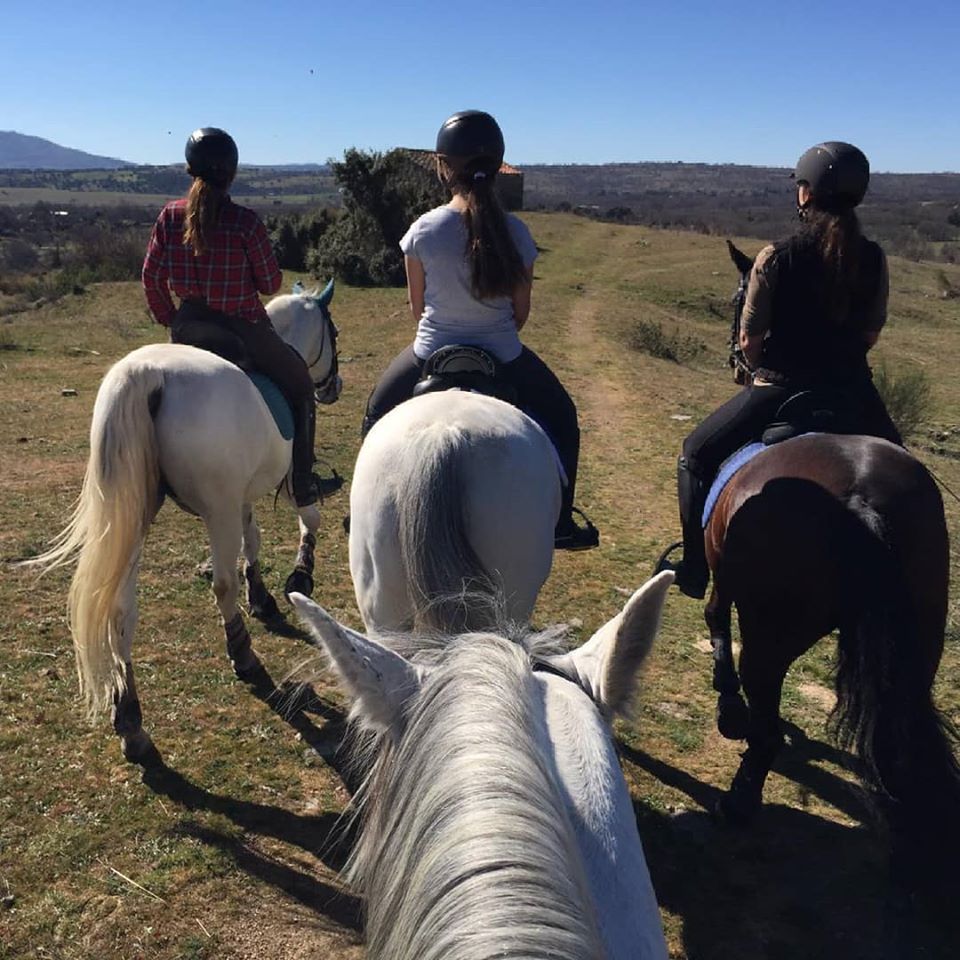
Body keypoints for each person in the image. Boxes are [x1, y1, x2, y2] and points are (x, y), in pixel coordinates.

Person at [657, 141, 902, 598]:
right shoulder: (874, 259)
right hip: (854, 393)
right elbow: (871, 335)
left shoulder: (775, 257)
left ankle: (694, 567)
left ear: (806, 193)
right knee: (903, 470)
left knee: (695, 453)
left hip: (781, 389)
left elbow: (749, 340)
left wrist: (758, 367)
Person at [361, 109, 599, 551]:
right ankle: (562, 522)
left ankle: (361, 515)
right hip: (504, 355)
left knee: (376, 412)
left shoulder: (423, 231)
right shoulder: (517, 233)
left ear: (442, 166)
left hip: (430, 351)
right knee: (564, 418)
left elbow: (417, 308)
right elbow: (520, 313)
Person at [142, 127, 336, 508]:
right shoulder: (245, 222)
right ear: (231, 173)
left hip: (190, 329)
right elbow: (270, 284)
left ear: (189, 169)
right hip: (244, 330)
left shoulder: (169, 216)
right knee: (299, 387)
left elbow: (150, 277)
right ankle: (302, 483)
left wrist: (172, 320)